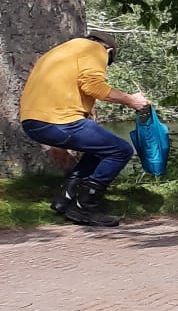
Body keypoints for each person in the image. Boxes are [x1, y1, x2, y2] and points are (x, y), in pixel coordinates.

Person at [18, 32, 151, 227]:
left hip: (35, 121)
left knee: (100, 149)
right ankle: (84, 207)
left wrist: (57, 141)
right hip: (60, 121)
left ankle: (65, 199)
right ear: (109, 51)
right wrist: (131, 100)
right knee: (120, 151)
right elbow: (92, 86)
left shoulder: (59, 52)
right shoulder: (95, 49)